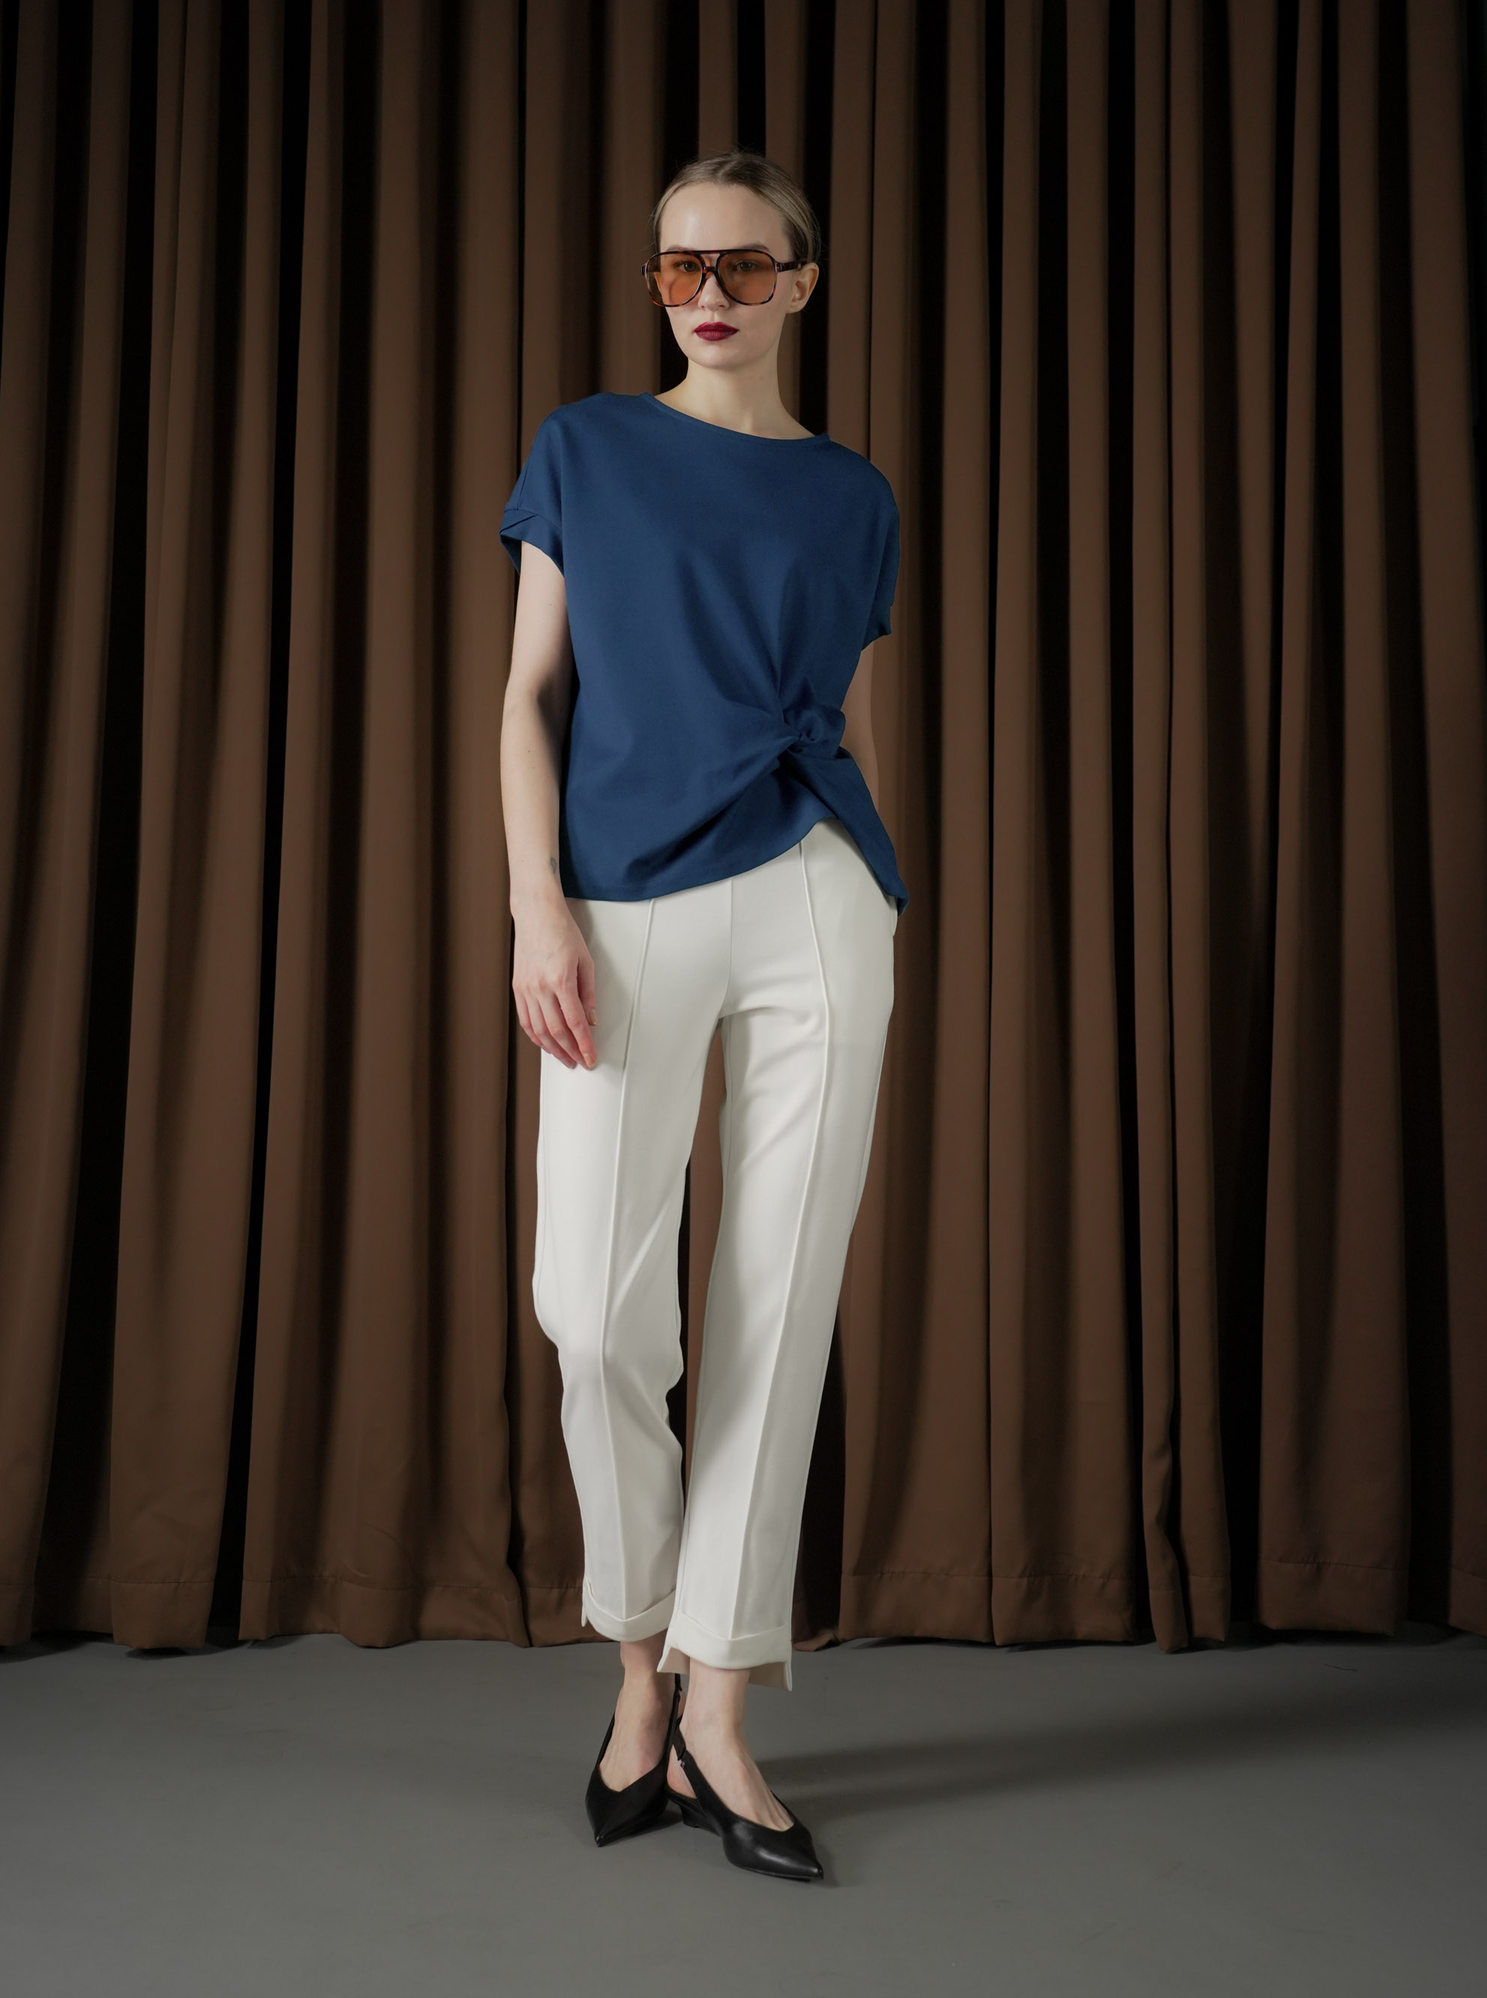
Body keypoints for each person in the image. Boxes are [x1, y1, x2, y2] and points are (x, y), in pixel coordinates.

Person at [498, 148, 905, 1884]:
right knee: (592, 1310)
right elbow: (530, 695)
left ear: (802, 280)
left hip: (815, 888)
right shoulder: (587, 448)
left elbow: (826, 708)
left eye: (744, 263)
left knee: (778, 1303)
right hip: (620, 896)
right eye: (680, 267)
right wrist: (537, 906)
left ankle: (720, 1711)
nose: (710, 292)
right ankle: (637, 1665)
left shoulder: (855, 494)